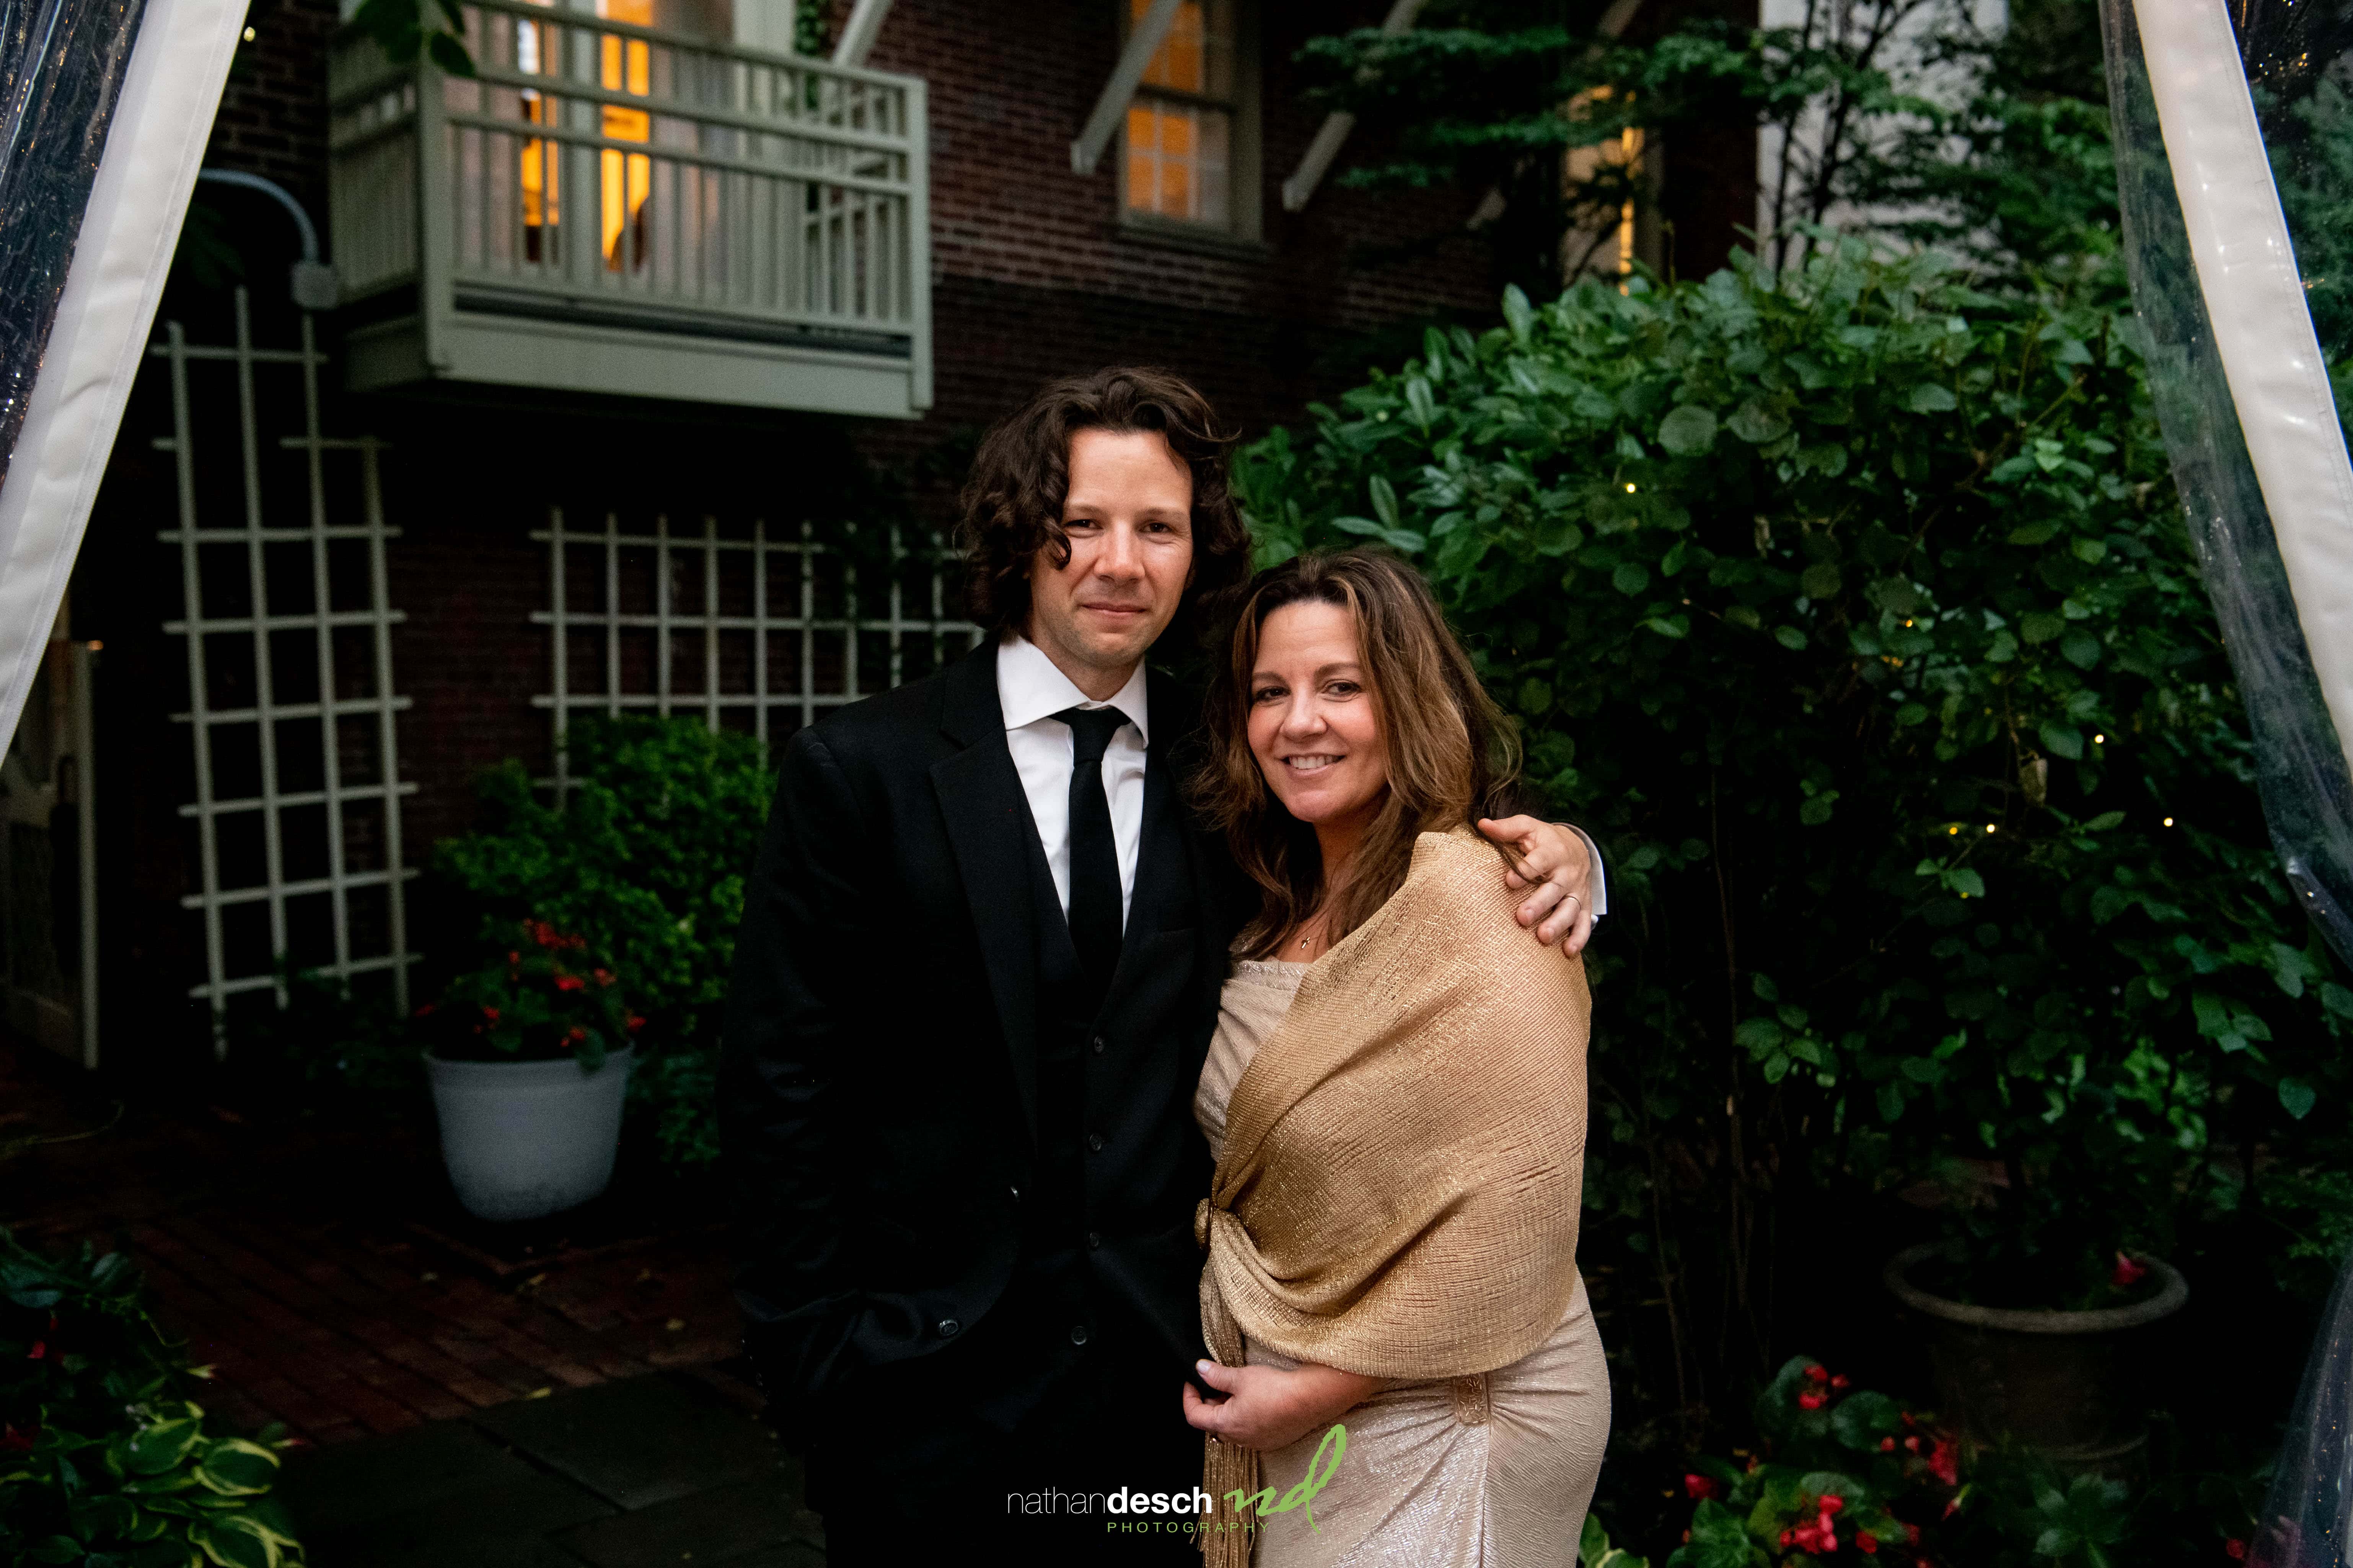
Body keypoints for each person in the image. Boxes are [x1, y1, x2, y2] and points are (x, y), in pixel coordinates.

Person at [717, 368, 1602, 1563]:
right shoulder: (860, 771)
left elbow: (1412, 858)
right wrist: (816, 1367)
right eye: (1080, 522)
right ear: (1019, 532)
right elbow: (779, 1091)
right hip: (921, 1406)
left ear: (1198, 551)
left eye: (1159, 527)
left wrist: (1579, 861)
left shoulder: (1233, 763)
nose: (1119, 562)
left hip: (1164, 1405)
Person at [1183, 549, 1608, 1567]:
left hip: (1458, 1394)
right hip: (1295, 1379)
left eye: (1342, 687)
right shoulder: (1266, 899)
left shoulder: (1484, 900)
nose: (1300, 722)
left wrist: (1316, 1393)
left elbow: (1514, 1212)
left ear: (1408, 702)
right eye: (1270, 693)